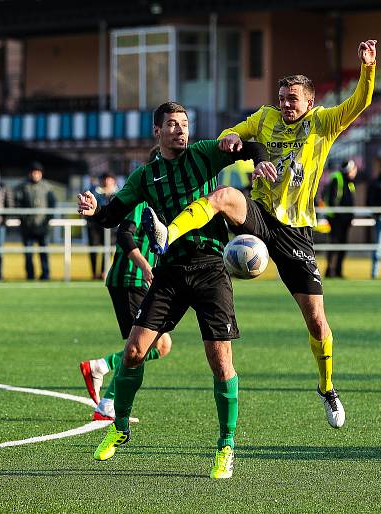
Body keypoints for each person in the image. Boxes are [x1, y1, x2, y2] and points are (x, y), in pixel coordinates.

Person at [142, 39, 377, 429]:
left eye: (293, 99)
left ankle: (327, 386)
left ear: (310, 102)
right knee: (225, 196)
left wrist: (368, 69)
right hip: (260, 215)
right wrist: (232, 137)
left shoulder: (323, 123)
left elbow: (360, 103)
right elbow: (234, 133)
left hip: (296, 232)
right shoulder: (266, 117)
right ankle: (168, 232)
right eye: (282, 97)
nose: (285, 104)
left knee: (317, 321)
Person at [77, 101, 268, 479]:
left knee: (220, 361)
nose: (181, 130)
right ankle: (121, 427)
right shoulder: (145, 176)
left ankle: (226, 445)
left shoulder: (202, 154)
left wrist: (257, 158)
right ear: (157, 132)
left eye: (184, 123)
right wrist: (94, 210)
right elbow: (114, 216)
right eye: (173, 125)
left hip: (212, 269)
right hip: (170, 273)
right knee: (133, 351)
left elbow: (250, 148)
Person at [79, 200, 173, 421]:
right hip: (129, 280)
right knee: (148, 345)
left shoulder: (167, 200)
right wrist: (145, 266)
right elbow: (124, 235)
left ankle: (101, 368)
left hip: (143, 282)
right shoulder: (142, 200)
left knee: (161, 345)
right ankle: (107, 403)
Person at [14, 162, 56, 280]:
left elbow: (52, 204)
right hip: (27, 227)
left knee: (44, 252)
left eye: (38, 172)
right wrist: (24, 219)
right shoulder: (22, 187)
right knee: (28, 254)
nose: (35, 174)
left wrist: (47, 220)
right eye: (33, 172)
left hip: (43, 227)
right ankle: (30, 275)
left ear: (41, 174)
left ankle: (46, 274)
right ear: (29, 173)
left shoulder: (47, 187)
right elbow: (17, 204)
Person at [324, 159, 357, 278]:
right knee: (334, 245)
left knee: (342, 246)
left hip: (345, 220)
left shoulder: (350, 182)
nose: (354, 172)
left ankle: (338, 271)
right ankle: (330, 271)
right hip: (336, 219)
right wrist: (339, 215)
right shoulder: (337, 178)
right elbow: (333, 200)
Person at [87, 172, 118, 280]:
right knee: (94, 249)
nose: (106, 181)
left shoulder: (118, 193)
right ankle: (94, 273)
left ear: (113, 180)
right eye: (104, 179)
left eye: (109, 178)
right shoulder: (93, 192)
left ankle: (104, 271)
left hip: (111, 227)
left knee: (108, 249)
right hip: (95, 225)